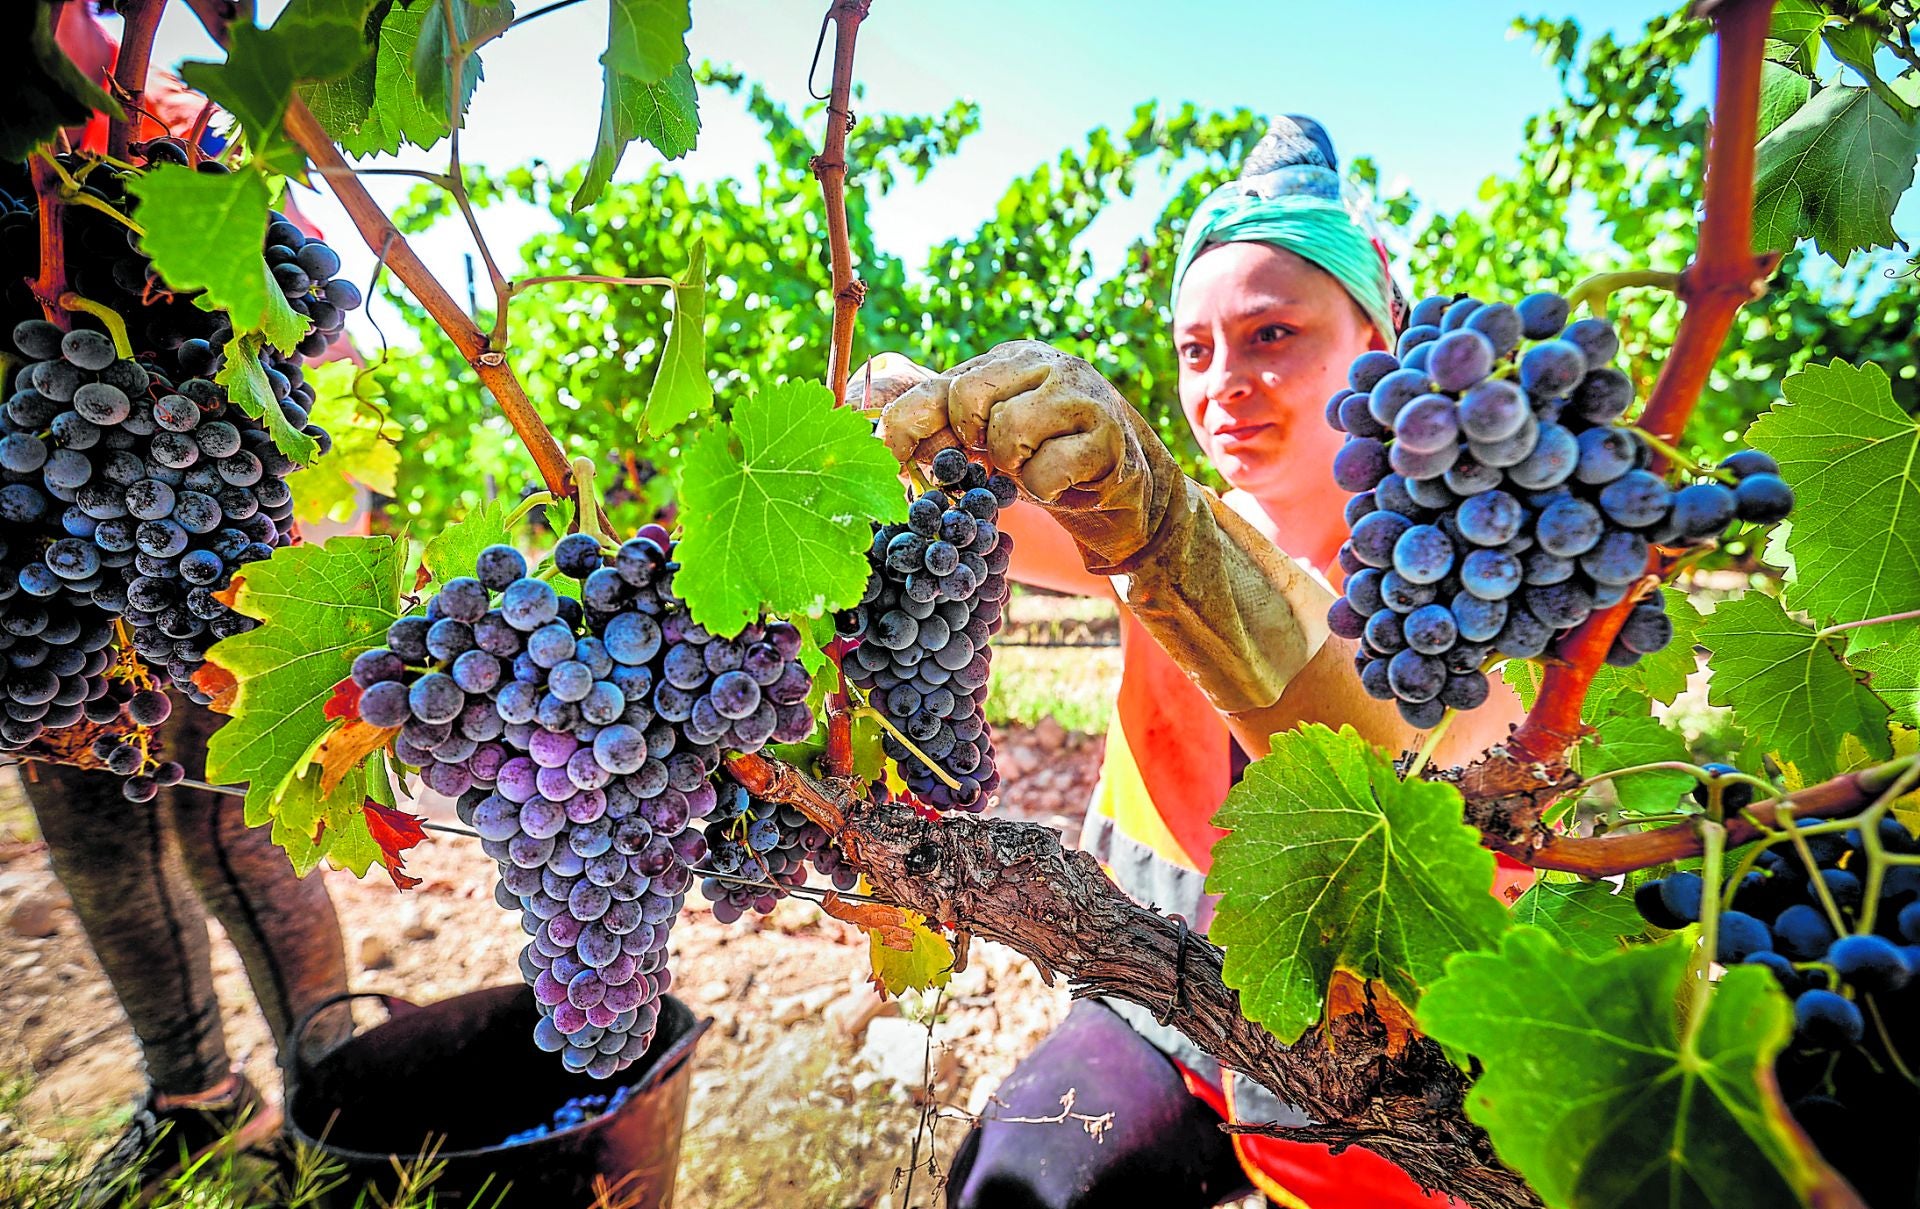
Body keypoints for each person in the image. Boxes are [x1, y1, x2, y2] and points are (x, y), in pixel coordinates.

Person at [855, 115, 1528, 1209]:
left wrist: (1167, 540)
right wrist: (904, 444)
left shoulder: (1462, 583)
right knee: (1008, 1190)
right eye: (1196, 348)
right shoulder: (1149, 517)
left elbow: (1373, 760)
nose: (1224, 382)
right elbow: (981, 520)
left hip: (1371, 1067)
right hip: (1155, 1000)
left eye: (1272, 336)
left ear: (1380, 339)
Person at [5, 8, 358, 1198]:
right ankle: (196, 1103)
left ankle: (344, 1095)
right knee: (92, 823)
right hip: (37, 557)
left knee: (232, 824)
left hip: (204, 555)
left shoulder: (168, 115)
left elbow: (325, 325)